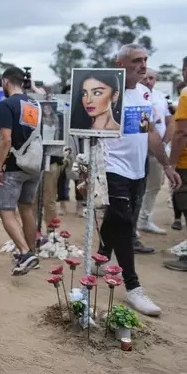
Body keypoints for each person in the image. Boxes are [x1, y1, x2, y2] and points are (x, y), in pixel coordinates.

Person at [94, 44, 180, 315]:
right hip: (111, 166)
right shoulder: (107, 94)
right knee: (125, 222)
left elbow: (151, 132)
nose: (143, 66)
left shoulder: (145, 93)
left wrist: (166, 165)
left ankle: (99, 259)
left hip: (137, 168)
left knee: (116, 217)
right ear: (120, 65)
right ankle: (133, 288)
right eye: (136, 61)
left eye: (145, 60)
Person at [0, 67, 42, 276]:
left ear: (6, 81)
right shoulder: (34, 104)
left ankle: (25, 252)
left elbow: (6, 139)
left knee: (6, 210)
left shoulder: (6, 104)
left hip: (14, 166)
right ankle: (31, 252)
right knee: (26, 209)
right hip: (33, 164)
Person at [137, 69, 174, 234]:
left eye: (151, 78)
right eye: (145, 78)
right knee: (137, 186)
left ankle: (144, 219)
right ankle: (133, 223)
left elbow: (169, 120)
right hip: (140, 148)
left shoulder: (160, 97)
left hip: (158, 149)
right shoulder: (136, 95)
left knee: (155, 185)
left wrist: (164, 143)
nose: (148, 81)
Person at [166, 57, 187, 271]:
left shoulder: (186, 94)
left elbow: (181, 132)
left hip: (185, 161)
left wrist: (171, 164)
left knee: (184, 202)